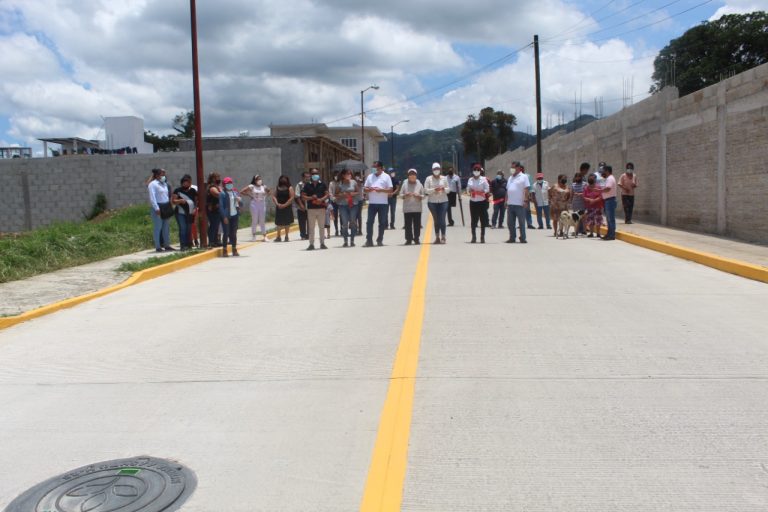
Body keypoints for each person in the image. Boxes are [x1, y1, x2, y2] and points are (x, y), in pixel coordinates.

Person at [363, 161, 393, 247]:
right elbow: (364, 189)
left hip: (383, 204)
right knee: (369, 222)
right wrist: (369, 189)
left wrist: (381, 190)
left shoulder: (386, 176)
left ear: (380, 168)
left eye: (375, 167)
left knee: (382, 222)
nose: (373, 169)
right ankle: (369, 240)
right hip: (372, 203)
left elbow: (390, 190)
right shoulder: (370, 176)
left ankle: (380, 240)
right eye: (373, 167)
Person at [300, 168, 329, 250]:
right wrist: (311, 197)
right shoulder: (307, 185)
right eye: (313, 174)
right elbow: (303, 196)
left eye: (316, 173)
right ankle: (311, 244)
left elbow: (327, 194)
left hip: (321, 208)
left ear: (318, 174)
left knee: (321, 227)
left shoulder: (322, 184)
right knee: (311, 227)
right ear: (310, 175)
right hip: (311, 209)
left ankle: (322, 243)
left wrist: (321, 199)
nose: (315, 175)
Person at [148, 168, 174, 252]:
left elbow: (166, 196)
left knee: (166, 228)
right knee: (158, 227)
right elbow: (152, 197)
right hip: (158, 207)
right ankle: (158, 246)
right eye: (162, 174)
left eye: (164, 174)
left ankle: (167, 245)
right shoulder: (152, 184)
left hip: (165, 206)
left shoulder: (164, 184)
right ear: (157, 175)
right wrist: (156, 208)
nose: (164, 176)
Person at [424, 162, 449, 244]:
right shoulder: (428, 179)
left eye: (438, 169)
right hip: (432, 202)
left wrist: (443, 189)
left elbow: (449, 189)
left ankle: (443, 237)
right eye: (435, 169)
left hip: (443, 201)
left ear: (440, 170)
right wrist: (434, 190)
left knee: (442, 218)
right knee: (436, 220)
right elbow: (426, 190)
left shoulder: (444, 178)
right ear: (432, 170)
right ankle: (437, 237)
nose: (436, 170)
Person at [335, 169, 361, 247]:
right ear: (343, 175)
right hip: (343, 205)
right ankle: (345, 241)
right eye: (347, 174)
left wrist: (353, 194)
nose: (349, 175)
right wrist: (343, 195)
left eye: (350, 174)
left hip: (353, 205)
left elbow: (358, 192)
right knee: (345, 223)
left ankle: (352, 240)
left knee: (353, 222)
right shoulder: (339, 184)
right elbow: (336, 194)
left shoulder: (354, 182)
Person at [505, 163, 530, 243]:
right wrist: (506, 201)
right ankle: (512, 237)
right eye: (511, 167)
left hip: (520, 204)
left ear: (518, 168)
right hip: (510, 204)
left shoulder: (524, 177)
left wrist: (525, 200)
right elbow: (508, 190)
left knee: (521, 222)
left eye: (513, 167)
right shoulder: (510, 178)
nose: (511, 169)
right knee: (510, 223)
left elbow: (526, 189)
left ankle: (523, 238)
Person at [171, 174, 197, 250]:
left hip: (190, 212)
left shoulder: (193, 191)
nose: (186, 184)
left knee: (189, 229)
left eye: (188, 182)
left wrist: (195, 208)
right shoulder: (178, 190)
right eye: (184, 182)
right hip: (180, 213)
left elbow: (196, 201)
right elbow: (173, 201)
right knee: (183, 228)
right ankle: (183, 245)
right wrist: (179, 201)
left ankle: (188, 244)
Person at [241, 175, 269, 242]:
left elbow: (269, 191)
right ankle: (254, 236)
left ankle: (264, 236)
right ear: (255, 180)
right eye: (258, 179)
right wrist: (250, 195)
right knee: (255, 220)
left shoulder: (263, 186)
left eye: (260, 179)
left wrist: (265, 195)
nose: (259, 180)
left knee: (262, 220)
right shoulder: (252, 186)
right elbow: (242, 191)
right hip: (254, 204)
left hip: (262, 204)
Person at [466, 165, 490, 243]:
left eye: (478, 170)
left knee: (482, 219)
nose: (476, 171)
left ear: (480, 171)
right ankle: (474, 237)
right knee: (473, 220)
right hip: (473, 201)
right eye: (475, 170)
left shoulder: (483, 179)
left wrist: (483, 192)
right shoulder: (470, 179)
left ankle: (482, 236)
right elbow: (467, 189)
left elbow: (487, 189)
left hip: (482, 201)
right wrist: (470, 191)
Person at [400, 168, 424, 245]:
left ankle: (416, 238)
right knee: (408, 225)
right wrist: (405, 195)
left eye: (414, 174)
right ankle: (408, 239)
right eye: (410, 174)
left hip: (417, 208)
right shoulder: (404, 184)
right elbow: (400, 195)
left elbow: (423, 195)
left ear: (416, 175)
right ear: (408, 176)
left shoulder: (419, 184)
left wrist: (419, 196)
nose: (412, 176)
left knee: (417, 225)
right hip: (407, 208)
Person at [219, 177, 241, 257]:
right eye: (227, 183)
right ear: (224, 185)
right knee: (226, 232)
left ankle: (234, 249)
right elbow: (221, 206)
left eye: (230, 183)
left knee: (234, 233)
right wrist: (224, 217)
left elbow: (240, 204)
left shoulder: (235, 192)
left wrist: (239, 200)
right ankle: (224, 250)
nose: (229, 185)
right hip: (227, 216)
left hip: (234, 215)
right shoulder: (222, 194)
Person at [272, 175, 294, 242]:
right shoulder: (277, 188)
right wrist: (277, 203)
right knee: (278, 222)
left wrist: (285, 205)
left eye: (284, 179)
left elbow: (291, 198)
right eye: (282, 179)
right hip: (279, 207)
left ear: (287, 180)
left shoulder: (290, 188)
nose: (283, 180)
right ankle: (278, 236)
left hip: (287, 207)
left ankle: (286, 236)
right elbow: (274, 196)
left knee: (287, 222)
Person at [601, 165, 617, 240]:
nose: (603, 172)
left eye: (604, 170)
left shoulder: (610, 178)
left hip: (610, 200)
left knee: (610, 219)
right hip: (608, 200)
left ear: (607, 171)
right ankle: (609, 234)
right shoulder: (609, 178)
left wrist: (600, 190)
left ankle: (612, 235)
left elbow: (608, 188)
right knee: (609, 219)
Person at [206, 172, 222, 248]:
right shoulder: (212, 187)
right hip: (212, 209)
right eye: (217, 177)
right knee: (213, 225)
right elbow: (217, 194)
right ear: (213, 178)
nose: (219, 179)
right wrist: (224, 193)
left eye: (219, 177)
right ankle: (211, 241)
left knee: (216, 225)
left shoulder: (217, 186)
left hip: (217, 209)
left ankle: (215, 241)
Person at [295, 171, 310, 240]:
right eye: (306, 177)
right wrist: (301, 205)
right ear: (302, 177)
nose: (307, 178)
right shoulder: (299, 185)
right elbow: (297, 196)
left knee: (310, 222)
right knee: (302, 222)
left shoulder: (311, 184)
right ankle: (303, 235)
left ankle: (309, 234)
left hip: (310, 207)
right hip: (301, 207)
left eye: (308, 177)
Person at [328, 171, 340, 236]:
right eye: (335, 175)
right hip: (334, 202)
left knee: (342, 216)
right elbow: (330, 193)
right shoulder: (331, 183)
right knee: (335, 216)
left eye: (337, 175)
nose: (336, 177)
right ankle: (336, 230)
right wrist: (333, 198)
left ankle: (342, 229)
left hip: (341, 202)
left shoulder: (341, 182)